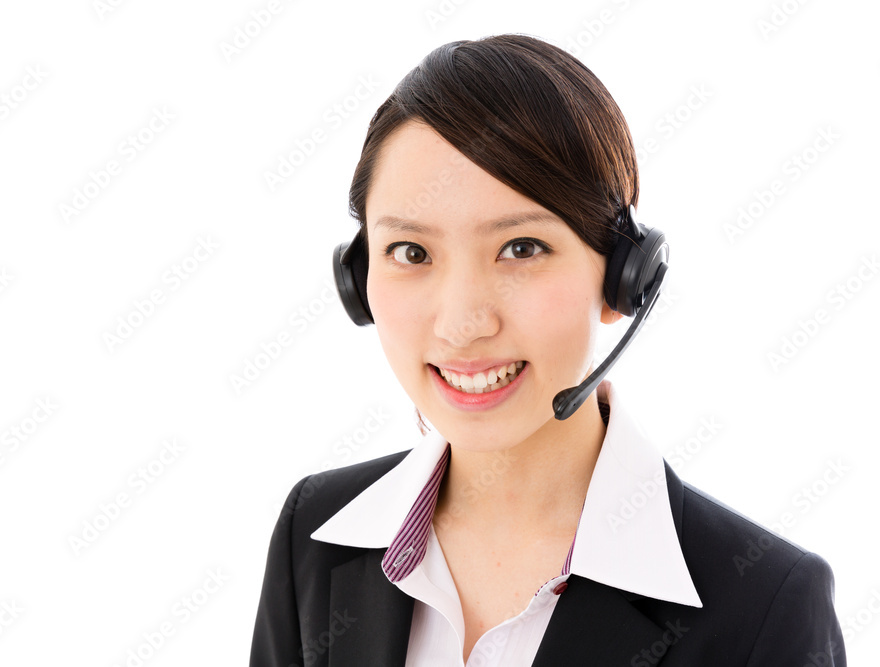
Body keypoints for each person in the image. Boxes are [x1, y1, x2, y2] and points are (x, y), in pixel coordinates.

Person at [249, 33, 846, 666]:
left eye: (522, 248)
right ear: (357, 280)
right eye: (411, 253)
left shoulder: (764, 604)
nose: (463, 324)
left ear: (624, 279)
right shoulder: (314, 535)